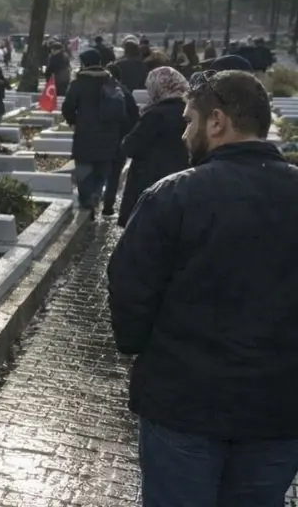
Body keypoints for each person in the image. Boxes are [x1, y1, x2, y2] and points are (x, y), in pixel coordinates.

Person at [107, 70, 298, 506]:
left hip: (184, 404)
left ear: (216, 121)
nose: (184, 134)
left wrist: (139, 347)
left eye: (190, 121)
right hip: (280, 407)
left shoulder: (173, 196)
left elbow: (130, 287)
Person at [61, 48, 138, 218]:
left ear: (84, 63)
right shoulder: (111, 81)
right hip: (110, 137)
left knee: (84, 171)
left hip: (85, 136)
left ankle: (88, 201)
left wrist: (75, 121)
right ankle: (96, 194)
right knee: (102, 171)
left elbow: (67, 108)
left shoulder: (79, 83)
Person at [115, 67, 190, 227]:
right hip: (185, 178)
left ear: (157, 87)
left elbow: (131, 146)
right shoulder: (192, 111)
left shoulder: (156, 114)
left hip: (151, 180)